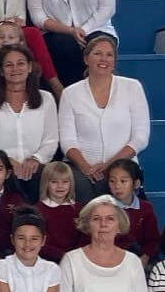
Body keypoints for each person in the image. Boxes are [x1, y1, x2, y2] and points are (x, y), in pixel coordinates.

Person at [56, 34, 150, 200]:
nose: (103, 59)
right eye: (97, 53)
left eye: (109, 54)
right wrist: (86, 168)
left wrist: (108, 166)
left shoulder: (132, 87)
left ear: (114, 60)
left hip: (122, 165)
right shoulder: (70, 93)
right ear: (86, 59)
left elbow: (140, 138)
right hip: (82, 168)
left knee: (119, 183)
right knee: (82, 186)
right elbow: (67, 141)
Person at [0, 43, 59, 192]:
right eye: (9, 65)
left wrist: (36, 159)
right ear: (1, 71)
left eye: (21, 63)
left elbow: (51, 141)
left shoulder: (47, 99)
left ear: (30, 67)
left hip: (36, 170)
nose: (15, 69)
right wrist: (5, 162)